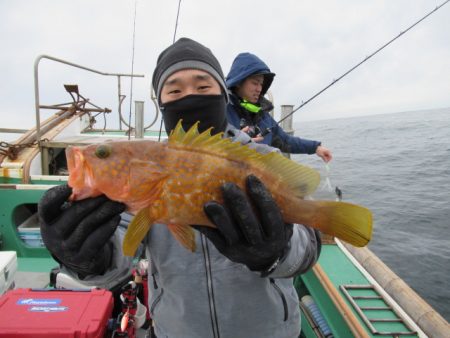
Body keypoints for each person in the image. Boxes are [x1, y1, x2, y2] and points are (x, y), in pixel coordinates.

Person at [38, 38, 321, 338]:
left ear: (223, 96)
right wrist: (86, 257)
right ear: (161, 104)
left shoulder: (264, 160)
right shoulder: (136, 189)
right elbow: (117, 261)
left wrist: (277, 251)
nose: (189, 97)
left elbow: (309, 248)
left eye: (202, 87)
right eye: (174, 90)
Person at [226, 52, 333, 162]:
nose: (259, 89)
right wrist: (235, 145)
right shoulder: (222, 110)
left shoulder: (263, 116)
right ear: (238, 82)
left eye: (261, 84)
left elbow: (285, 141)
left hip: (263, 176)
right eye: (255, 83)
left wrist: (315, 148)